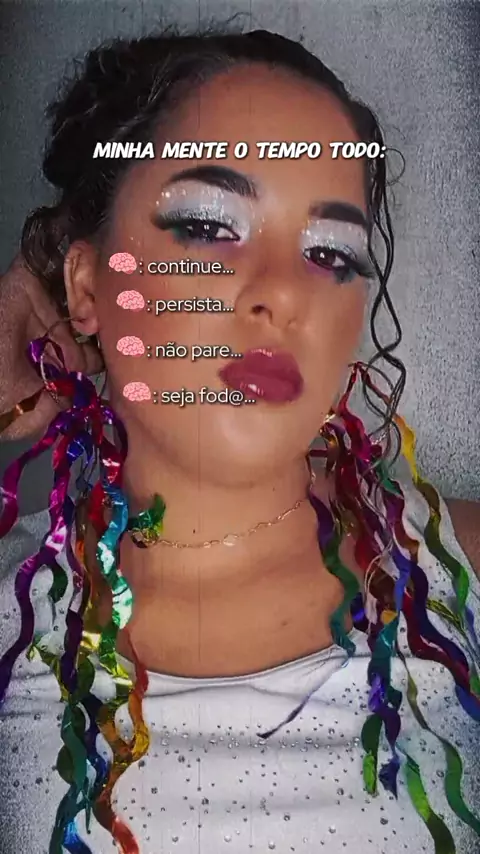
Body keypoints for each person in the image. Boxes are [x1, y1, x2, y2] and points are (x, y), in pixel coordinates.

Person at [0, 26, 479, 854]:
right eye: (210, 225)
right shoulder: (12, 620)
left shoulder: (461, 573)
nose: (283, 294)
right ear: (87, 288)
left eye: (330, 252)